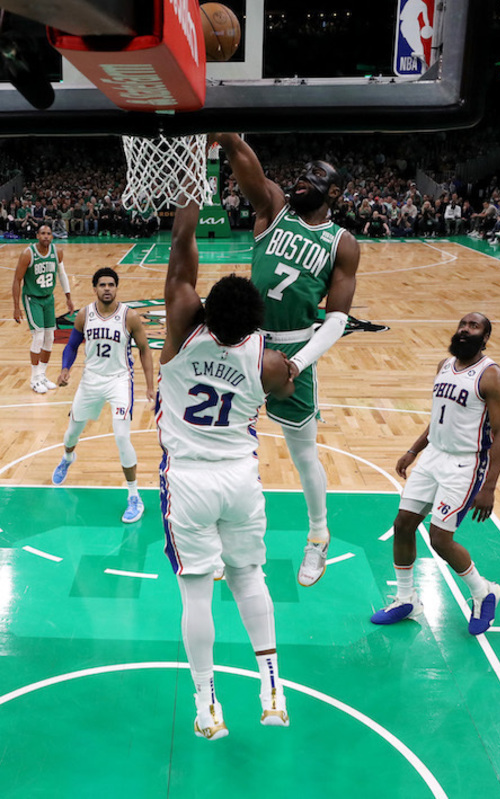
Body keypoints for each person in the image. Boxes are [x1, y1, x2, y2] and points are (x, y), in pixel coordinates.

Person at [156, 197, 294, 740]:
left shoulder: (181, 329)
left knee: (196, 591)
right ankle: (271, 688)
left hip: (188, 479)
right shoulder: (268, 360)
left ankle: (207, 703)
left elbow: (181, 256)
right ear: (253, 320)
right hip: (240, 478)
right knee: (248, 577)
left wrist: (192, 193)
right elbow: (285, 388)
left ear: (206, 309)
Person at [216, 133, 360, 587]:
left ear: (334, 192)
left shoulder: (342, 243)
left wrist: (297, 364)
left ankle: (318, 536)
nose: (303, 180)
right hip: (246, 346)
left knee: (303, 455)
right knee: (225, 447)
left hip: (298, 348)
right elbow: (247, 166)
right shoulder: (274, 210)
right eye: (301, 173)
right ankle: (226, 542)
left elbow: (336, 320)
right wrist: (223, 134)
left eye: (315, 176)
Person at [371, 313, 500, 635]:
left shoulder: (492, 377)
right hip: (434, 456)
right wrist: (413, 450)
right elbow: (438, 418)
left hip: (465, 464)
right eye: (463, 324)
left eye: (474, 326)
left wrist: (489, 487)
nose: (465, 329)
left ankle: (483, 591)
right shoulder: (444, 367)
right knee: (403, 525)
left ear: (485, 337)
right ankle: (406, 599)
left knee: (440, 539)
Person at [51, 267, 155, 523]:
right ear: (95, 288)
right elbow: (72, 345)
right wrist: (65, 369)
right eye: (102, 285)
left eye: (111, 285)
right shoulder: (84, 315)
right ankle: (67, 458)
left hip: (119, 381)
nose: (107, 289)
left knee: (122, 438)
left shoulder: (129, 317)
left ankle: (134, 497)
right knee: (72, 433)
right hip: (91, 381)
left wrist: (150, 386)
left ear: (116, 288)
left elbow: (145, 350)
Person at [12, 223, 74, 394]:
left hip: (48, 298)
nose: (46, 236)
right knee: (38, 337)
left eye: (49, 233)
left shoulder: (57, 252)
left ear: (52, 236)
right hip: (32, 298)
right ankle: (34, 379)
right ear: (37, 236)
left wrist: (68, 298)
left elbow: (62, 274)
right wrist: (17, 307)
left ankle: (42, 375)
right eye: (43, 233)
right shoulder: (28, 254)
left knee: (49, 338)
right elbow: (17, 280)